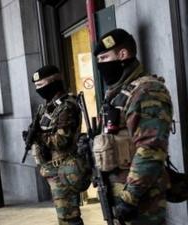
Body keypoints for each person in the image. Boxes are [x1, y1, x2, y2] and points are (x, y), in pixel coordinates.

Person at [93, 28, 173, 225]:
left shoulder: (147, 90)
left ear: (122, 54)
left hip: (141, 198)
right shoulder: (118, 93)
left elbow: (150, 149)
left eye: (104, 58)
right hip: (121, 191)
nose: (100, 65)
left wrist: (129, 199)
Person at [28, 65, 90, 225]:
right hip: (53, 169)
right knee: (64, 217)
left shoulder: (67, 107)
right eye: (36, 86)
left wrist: (39, 137)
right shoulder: (48, 107)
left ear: (54, 82)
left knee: (69, 217)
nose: (39, 89)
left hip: (64, 169)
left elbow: (61, 141)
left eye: (41, 85)